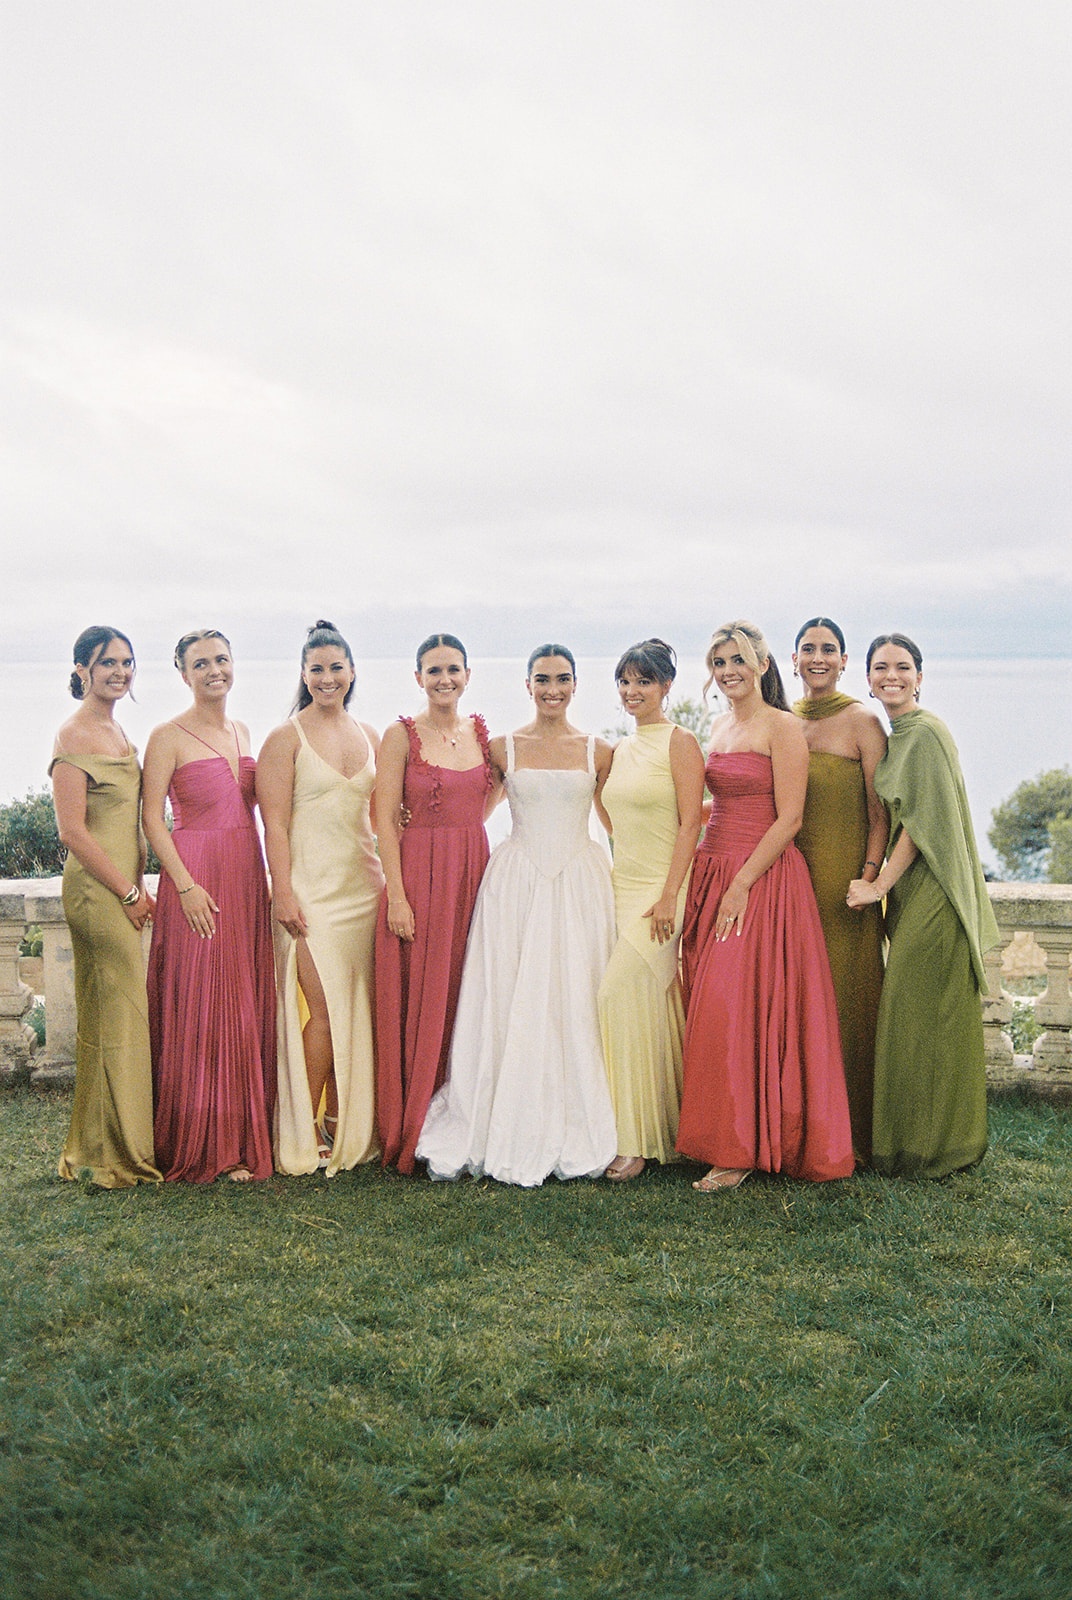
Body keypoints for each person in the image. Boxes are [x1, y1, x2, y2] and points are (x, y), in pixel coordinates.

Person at [416, 644, 618, 1187]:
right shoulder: (501, 748)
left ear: (576, 684)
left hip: (579, 880)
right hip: (517, 882)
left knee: (575, 993)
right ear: (527, 685)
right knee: (508, 995)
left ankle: (582, 1113)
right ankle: (498, 1110)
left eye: (563, 679)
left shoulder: (597, 752)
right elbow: (470, 813)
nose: (552, 689)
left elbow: (616, 823)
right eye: (542, 679)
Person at [677, 621, 854, 1191]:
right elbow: (714, 800)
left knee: (740, 1005)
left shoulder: (784, 726)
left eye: (738, 660)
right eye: (719, 662)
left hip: (763, 878)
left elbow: (791, 817)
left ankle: (741, 1148)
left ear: (761, 665)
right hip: (715, 866)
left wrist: (743, 883)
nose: (728, 671)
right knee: (712, 1007)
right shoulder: (719, 723)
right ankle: (722, 1134)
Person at [847, 634, 997, 1177]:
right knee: (917, 1020)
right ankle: (913, 1142)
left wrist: (878, 885)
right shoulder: (901, 732)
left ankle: (932, 1148)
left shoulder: (926, 733)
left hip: (934, 892)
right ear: (866, 678)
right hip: (916, 892)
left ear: (920, 676)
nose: (892, 675)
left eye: (903, 667)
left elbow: (918, 823)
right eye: (881, 667)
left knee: (914, 1017)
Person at [143, 630, 275, 1182]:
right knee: (205, 1003)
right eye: (201, 663)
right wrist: (185, 884)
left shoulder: (242, 730)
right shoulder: (166, 735)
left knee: (240, 996)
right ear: (182, 674)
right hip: (197, 877)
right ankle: (207, 1142)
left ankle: (245, 1132)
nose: (214, 670)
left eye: (221, 659)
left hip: (245, 871)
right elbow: (152, 818)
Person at [257, 622, 383, 1176]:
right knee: (326, 1011)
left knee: (358, 1010)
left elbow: (385, 820)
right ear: (303, 675)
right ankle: (304, 1127)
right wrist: (283, 891)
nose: (327, 678)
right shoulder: (286, 738)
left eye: (336, 668)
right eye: (316, 669)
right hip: (311, 894)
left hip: (366, 889)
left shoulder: (372, 735)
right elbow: (274, 826)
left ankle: (341, 1121)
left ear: (353, 672)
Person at [374, 633, 497, 1173]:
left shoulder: (483, 734)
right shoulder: (400, 736)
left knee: (464, 989)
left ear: (468, 675)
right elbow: (381, 818)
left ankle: (462, 1112)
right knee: (421, 991)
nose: (444, 679)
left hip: (473, 872)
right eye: (433, 670)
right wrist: (397, 895)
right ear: (418, 677)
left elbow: (492, 794)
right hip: (418, 874)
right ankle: (413, 1119)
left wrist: (466, 832)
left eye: (453, 669)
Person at [49, 627, 160, 1188]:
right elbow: (72, 832)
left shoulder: (115, 727)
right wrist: (130, 892)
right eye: (107, 663)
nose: (119, 671)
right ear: (81, 670)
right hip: (98, 892)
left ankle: (99, 1147)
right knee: (120, 1017)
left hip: (122, 886)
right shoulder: (74, 733)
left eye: (126, 662)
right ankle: (116, 1156)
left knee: (116, 1017)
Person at [597, 640, 705, 1181]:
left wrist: (669, 894)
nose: (632, 691)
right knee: (649, 1013)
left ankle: (635, 1142)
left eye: (643, 681)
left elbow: (691, 823)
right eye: (625, 682)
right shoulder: (618, 749)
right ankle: (676, 1129)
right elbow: (606, 808)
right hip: (621, 886)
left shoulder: (680, 742)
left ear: (666, 686)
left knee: (616, 997)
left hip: (663, 893)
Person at [791, 616, 888, 1165]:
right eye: (809, 648)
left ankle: (853, 1129)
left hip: (844, 883)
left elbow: (880, 813)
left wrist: (869, 877)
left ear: (845, 661)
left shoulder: (862, 721)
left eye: (829, 649)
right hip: (792, 880)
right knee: (800, 998)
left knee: (846, 998)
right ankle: (802, 1121)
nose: (818, 657)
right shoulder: (783, 718)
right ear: (795, 658)